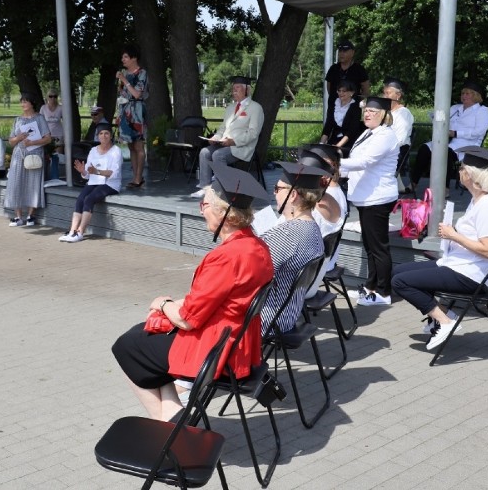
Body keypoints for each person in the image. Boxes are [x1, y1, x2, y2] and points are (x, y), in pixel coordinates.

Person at [111, 164, 273, 420]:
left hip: (217, 349)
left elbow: (188, 319)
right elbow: (221, 298)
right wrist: (174, 305)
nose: (201, 211)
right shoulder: (258, 246)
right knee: (143, 337)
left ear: (224, 214)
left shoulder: (228, 256)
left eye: (204, 205)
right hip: (239, 342)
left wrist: (163, 304)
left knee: (127, 345)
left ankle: (165, 427)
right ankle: (172, 412)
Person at [392, 147, 488, 350]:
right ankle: (444, 313)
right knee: (397, 272)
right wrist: (454, 234)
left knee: (400, 282)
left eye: (461, 167)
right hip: (458, 263)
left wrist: (453, 235)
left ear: (471, 175)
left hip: (469, 274)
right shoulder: (480, 199)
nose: (458, 171)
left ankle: (446, 321)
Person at [340, 96, 400, 306]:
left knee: (378, 247)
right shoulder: (368, 133)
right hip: (366, 197)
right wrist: (336, 168)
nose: (367, 114)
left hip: (377, 197)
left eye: (372, 112)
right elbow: (354, 160)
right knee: (370, 245)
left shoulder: (385, 135)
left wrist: (333, 163)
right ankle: (370, 286)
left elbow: (365, 161)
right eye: (366, 111)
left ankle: (383, 292)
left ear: (383, 115)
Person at [259, 162, 327, 336]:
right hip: (290, 313)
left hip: (267, 318)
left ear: (293, 195)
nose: (274, 193)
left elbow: (253, 277)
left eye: (277, 188)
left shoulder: (287, 234)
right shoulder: (313, 228)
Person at [406, 80, 488, 193]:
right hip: (447, 140)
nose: (463, 96)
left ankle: (444, 188)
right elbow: (443, 122)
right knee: (424, 149)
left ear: (476, 96)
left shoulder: (482, 111)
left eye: (467, 94)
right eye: (462, 94)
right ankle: (414, 183)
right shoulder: (455, 108)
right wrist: (437, 121)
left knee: (445, 153)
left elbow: (479, 132)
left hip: (467, 144)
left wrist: (455, 133)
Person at [190, 75, 264, 199]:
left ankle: (221, 189)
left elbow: (253, 133)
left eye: (237, 88)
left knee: (218, 155)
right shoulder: (230, 108)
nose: (234, 91)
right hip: (224, 143)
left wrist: (233, 141)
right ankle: (205, 187)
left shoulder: (255, 108)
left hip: (241, 146)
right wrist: (215, 137)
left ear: (247, 90)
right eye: (233, 88)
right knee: (204, 152)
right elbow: (223, 128)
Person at [59, 124, 123, 242]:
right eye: (101, 134)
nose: (103, 136)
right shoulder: (93, 150)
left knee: (89, 199)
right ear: (97, 136)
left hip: (110, 184)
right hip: (94, 182)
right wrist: (83, 171)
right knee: (80, 199)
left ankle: (80, 232)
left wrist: (96, 171)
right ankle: (72, 231)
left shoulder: (116, 151)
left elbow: (114, 173)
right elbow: (88, 173)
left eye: (106, 133)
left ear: (110, 136)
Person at [5, 92, 52, 227]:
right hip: (19, 154)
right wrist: (18, 138)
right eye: (22, 102)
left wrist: (32, 143)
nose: (23, 104)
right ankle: (18, 216)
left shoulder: (39, 118)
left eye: (25, 101)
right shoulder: (17, 120)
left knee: (33, 183)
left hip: (35, 153)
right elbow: (11, 141)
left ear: (32, 103)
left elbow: (48, 138)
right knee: (15, 183)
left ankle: (31, 215)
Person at [116, 44, 148, 188]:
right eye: (122, 57)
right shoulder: (124, 74)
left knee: (139, 146)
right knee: (131, 147)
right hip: (125, 111)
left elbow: (137, 94)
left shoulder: (142, 73)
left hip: (137, 112)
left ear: (133, 58)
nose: (123, 59)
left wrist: (125, 80)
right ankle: (135, 177)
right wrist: (119, 113)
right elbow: (122, 96)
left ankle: (139, 177)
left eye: (126, 57)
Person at [383, 77, 414, 193]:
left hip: (399, 149)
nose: (385, 96)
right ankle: (399, 187)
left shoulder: (403, 114)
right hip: (387, 146)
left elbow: (400, 139)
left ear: (398, 95)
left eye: (388, 93)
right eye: (384, 93)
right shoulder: (386, 112)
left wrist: (383, 146)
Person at [324, 39, 370, 116]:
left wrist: (356, 100)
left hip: (352, 110)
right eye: (340, 51)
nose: (341, 53)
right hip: (334, 109)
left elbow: (366, 90)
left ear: (352, 52)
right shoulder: (333, 69)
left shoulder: (359, 69)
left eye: (345, 51)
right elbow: (329, 88)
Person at [319, 80, 366, 155]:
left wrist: (337, 146)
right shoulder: (334, 105)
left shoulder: (355, 108)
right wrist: (321, 144)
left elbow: (352, 131)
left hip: (349, 142)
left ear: (351, 93)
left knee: (334, 154)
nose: (341, 93)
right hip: (334, 139)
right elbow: (328, 127)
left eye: (344, 91)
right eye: (339, 91)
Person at [40, 89, 64, 181]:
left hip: (58, 135)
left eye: (55, 96)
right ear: (47, 97)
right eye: (51, 96)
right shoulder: (43, 108)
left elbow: (65, 121)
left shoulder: (60, 108)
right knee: (45, 156)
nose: (53, 98)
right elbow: (40, 122)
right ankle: (45, 176)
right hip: (46, 136)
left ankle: (56, 176)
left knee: (57, 156)